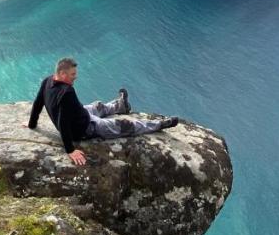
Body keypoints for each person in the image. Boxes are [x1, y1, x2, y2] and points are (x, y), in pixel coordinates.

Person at [26, 56, 179, 165]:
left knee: (98, 106)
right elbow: (63, 122)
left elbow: (38, 102)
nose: (76, 77)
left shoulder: (48, 81)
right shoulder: (66, 92)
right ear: (63, 74)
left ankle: (121, 106)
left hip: (80, 115)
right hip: (85, 128)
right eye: (73, 74)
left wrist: (32, 124)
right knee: (124, 125)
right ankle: (159, 125)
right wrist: (70, 150)